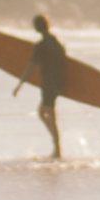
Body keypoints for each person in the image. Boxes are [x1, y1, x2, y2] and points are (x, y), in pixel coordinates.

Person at [13, 12, 68, 160]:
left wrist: (20, 84)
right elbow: (65, 63)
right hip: (58, 82)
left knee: (46, 113)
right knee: (47, 113)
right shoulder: (57, 42)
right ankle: (57, 148)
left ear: (37, 27)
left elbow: (31, 66)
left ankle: (57, 149)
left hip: (49, 84)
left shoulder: (41, 46)